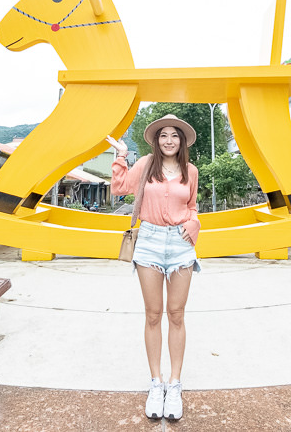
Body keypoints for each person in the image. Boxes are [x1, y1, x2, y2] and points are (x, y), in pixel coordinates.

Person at [106, 114, 200, 422]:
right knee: (152, 314)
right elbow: (119, 188)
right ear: (156, 141)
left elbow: (192, 207)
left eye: (174, 135)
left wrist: (193, 224)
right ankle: (155, 383)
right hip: (148, 241)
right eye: (163, 136)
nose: (169, 140)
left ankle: (174, 384)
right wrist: (121, 155)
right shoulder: (146, 164)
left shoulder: (191, 171)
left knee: (176, 314)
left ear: (181, 141)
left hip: (181, 243)